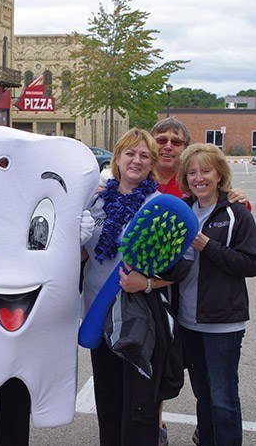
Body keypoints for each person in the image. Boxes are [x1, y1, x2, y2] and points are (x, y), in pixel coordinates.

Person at [81, 128, 190, 446]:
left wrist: (147, 282)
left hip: (140, 321)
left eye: (144, 155)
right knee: (109, 401)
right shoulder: (97, 201)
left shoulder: (160, 207)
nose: (136, 160)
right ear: (117, 158)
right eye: (130, 153)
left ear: (152, 163)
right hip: (98, 316)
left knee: (139, 408)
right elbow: (83, 254)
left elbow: (183, 267)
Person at [175, 143, 256, 446]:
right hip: (188, 320)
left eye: (206, 170)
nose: (199, 178)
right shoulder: (181, 211)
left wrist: (207, 245)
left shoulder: (237, 213)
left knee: (223, 399)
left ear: (220, 175)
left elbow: (250, 263)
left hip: (223, 323)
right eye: (192, 172)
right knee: (203, 397)